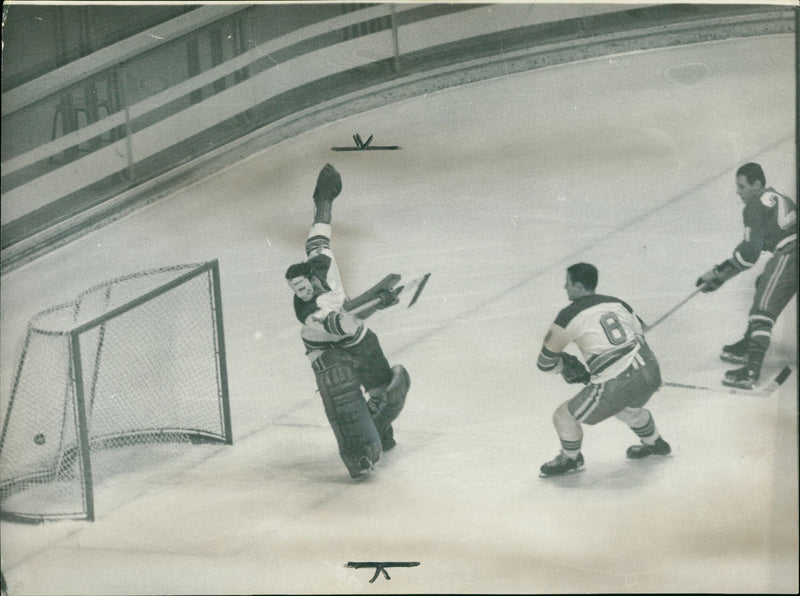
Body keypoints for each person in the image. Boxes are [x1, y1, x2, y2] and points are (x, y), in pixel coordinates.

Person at [285, 164, 410, 479]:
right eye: (295, 290)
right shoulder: (309, 313)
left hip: (359, 340)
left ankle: (379, 428)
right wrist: (378, 304)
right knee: (350, 421)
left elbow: (318, 235)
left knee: (392, 391)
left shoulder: (321, 262)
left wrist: (324, 200)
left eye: (302, 285)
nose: (300, 291)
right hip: (331, 353)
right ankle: (359, 452)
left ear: (311, 275)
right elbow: (344, 323)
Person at [536, 263, 671, 477]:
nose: (565, 287)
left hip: (617, 381)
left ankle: (571, 458)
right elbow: (640, 333)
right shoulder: (617, 303)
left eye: (567, 283)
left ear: (579, 286)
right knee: (627, 410)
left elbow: (544, 364)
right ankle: (654, 442)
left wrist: (564, 367)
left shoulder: (568, 315)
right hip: (650, 370)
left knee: (564, 416)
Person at [696, 162, 797, 389]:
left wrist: (718, 275)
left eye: (742, 187)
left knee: (762, 311)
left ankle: (751, 371)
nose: (738, 192)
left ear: (757, 184)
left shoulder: (754, 205)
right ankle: (749, 343)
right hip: (791, 249)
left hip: (791, 254)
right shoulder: (775, 194)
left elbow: (749, 254)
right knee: (764, 283)